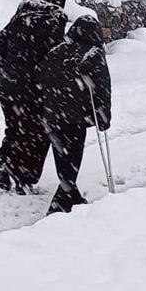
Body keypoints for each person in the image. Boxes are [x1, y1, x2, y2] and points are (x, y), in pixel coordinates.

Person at [0, 0, 68, 194]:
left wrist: (6, 72)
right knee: (38, 132)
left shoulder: (19, 17)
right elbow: (55, 56)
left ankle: (5, 164)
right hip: (36, 87)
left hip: (10, 86)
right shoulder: (54, 19)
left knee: (14, 127)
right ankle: (24, 176)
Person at [38, 14, 112, 214]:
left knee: (62, 156)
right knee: (73, 157)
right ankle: (58, 204)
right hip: (76, 116)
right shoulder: (93, 54)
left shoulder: (55, 52)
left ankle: (73, 197)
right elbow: (102, 88)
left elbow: (42, 80)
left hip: (52, 115)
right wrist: (103, 116)